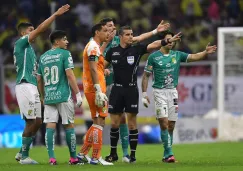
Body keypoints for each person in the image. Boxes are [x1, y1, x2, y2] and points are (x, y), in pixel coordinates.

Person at [104, 26, 181, 163]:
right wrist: (103, 71)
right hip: (116, 89)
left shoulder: (137, 49)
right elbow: (101, 66)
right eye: (127, 34)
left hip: (131, 90)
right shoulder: (112, 51)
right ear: (121, 36)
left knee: (132, 125)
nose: (131, 36)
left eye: (132, 34)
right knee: (114, 124)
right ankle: (113, 154)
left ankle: (132, 156)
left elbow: (154, 44)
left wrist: (167, 40)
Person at [141, 30, 217, 163]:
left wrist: (205, 52)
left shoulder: (177, 55)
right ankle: (169, 153)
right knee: (163, 123)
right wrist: (144, 93)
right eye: (169, 39)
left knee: (171, 125)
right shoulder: (153, 57)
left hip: (173, 92)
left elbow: (194, 57)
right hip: (159, 92)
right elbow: (146, 76)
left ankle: (166, 154)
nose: (172, 42)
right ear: (163, 41)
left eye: (173, 40)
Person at [13, 4, 70, 164]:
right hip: (24, 85)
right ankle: (24, 156)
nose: (34, 32)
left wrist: (41, 93)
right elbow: (40, 29)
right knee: (32, 121)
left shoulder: (30, 50)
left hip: (32, 87)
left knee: (38, 121)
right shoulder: (21, 43)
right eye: (30, 30)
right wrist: (55, 15)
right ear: (24, 33)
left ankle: (21, 152)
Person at [37, 30, 83, 165]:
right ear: (57, 42)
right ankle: (73, 157)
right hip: (63, 95)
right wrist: (78, 94)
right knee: (68, 125)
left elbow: (39, 79)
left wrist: (43, 96)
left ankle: (51, 158)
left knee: (50, 125)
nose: (67, 42)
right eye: (64, 39)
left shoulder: (43, 57)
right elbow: (70, 75)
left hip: (49, 96)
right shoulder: (65, 54)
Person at [77, 22, 113, 165]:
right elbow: (92, 69)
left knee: (99, 121)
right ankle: (96, 157)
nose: (107, 33)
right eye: (104, 31)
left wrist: (102, 72)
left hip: (95, 88)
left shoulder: (95, 47)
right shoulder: (92, 47)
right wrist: (98, 90)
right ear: (97, 32)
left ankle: (82, 153)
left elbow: (96, 67)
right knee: (99, 122)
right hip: (95, 89)